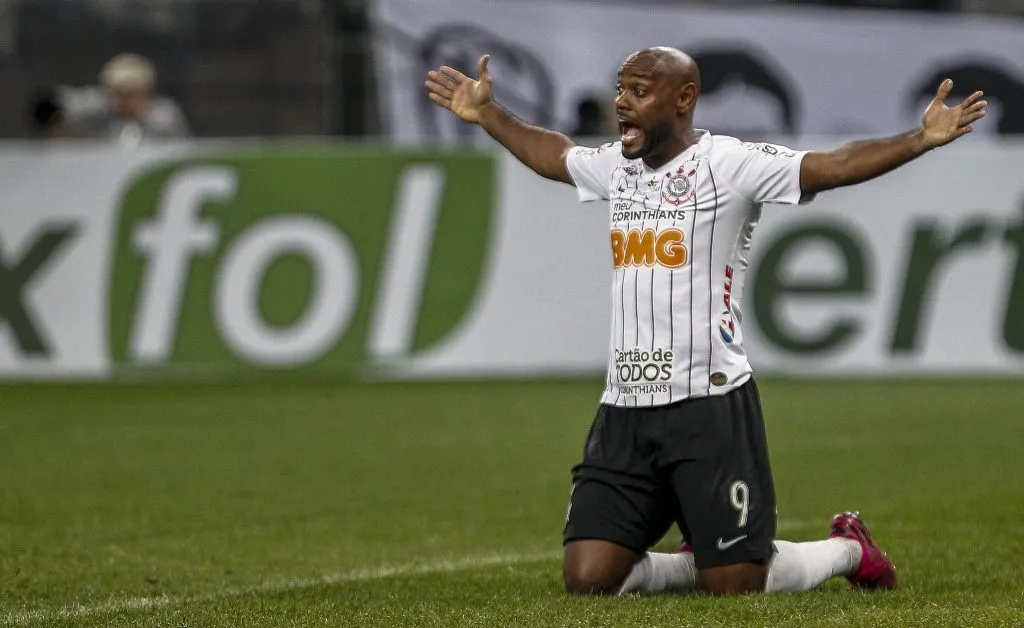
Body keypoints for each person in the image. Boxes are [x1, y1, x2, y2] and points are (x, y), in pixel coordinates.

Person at [424, 47, 986, 596]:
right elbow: (556, 156)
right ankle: (704, 550)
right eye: (620, 89)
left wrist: (922, 139)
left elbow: (832, 167)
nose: (621, 103)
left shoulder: (731, 165)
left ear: (684, 99)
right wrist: (486, 114)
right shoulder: (618, 169)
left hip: (709, 406)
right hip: (624, 409)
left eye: (639, 92)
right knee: (588, 578)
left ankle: (847, 549)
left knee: (736, 585)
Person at [58, 53, 191, 145]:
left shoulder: (164, 119)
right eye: (118, 94)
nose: (124, 101)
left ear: (147, 93)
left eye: (131, 94)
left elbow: (180, 152)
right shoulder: (99, 114)